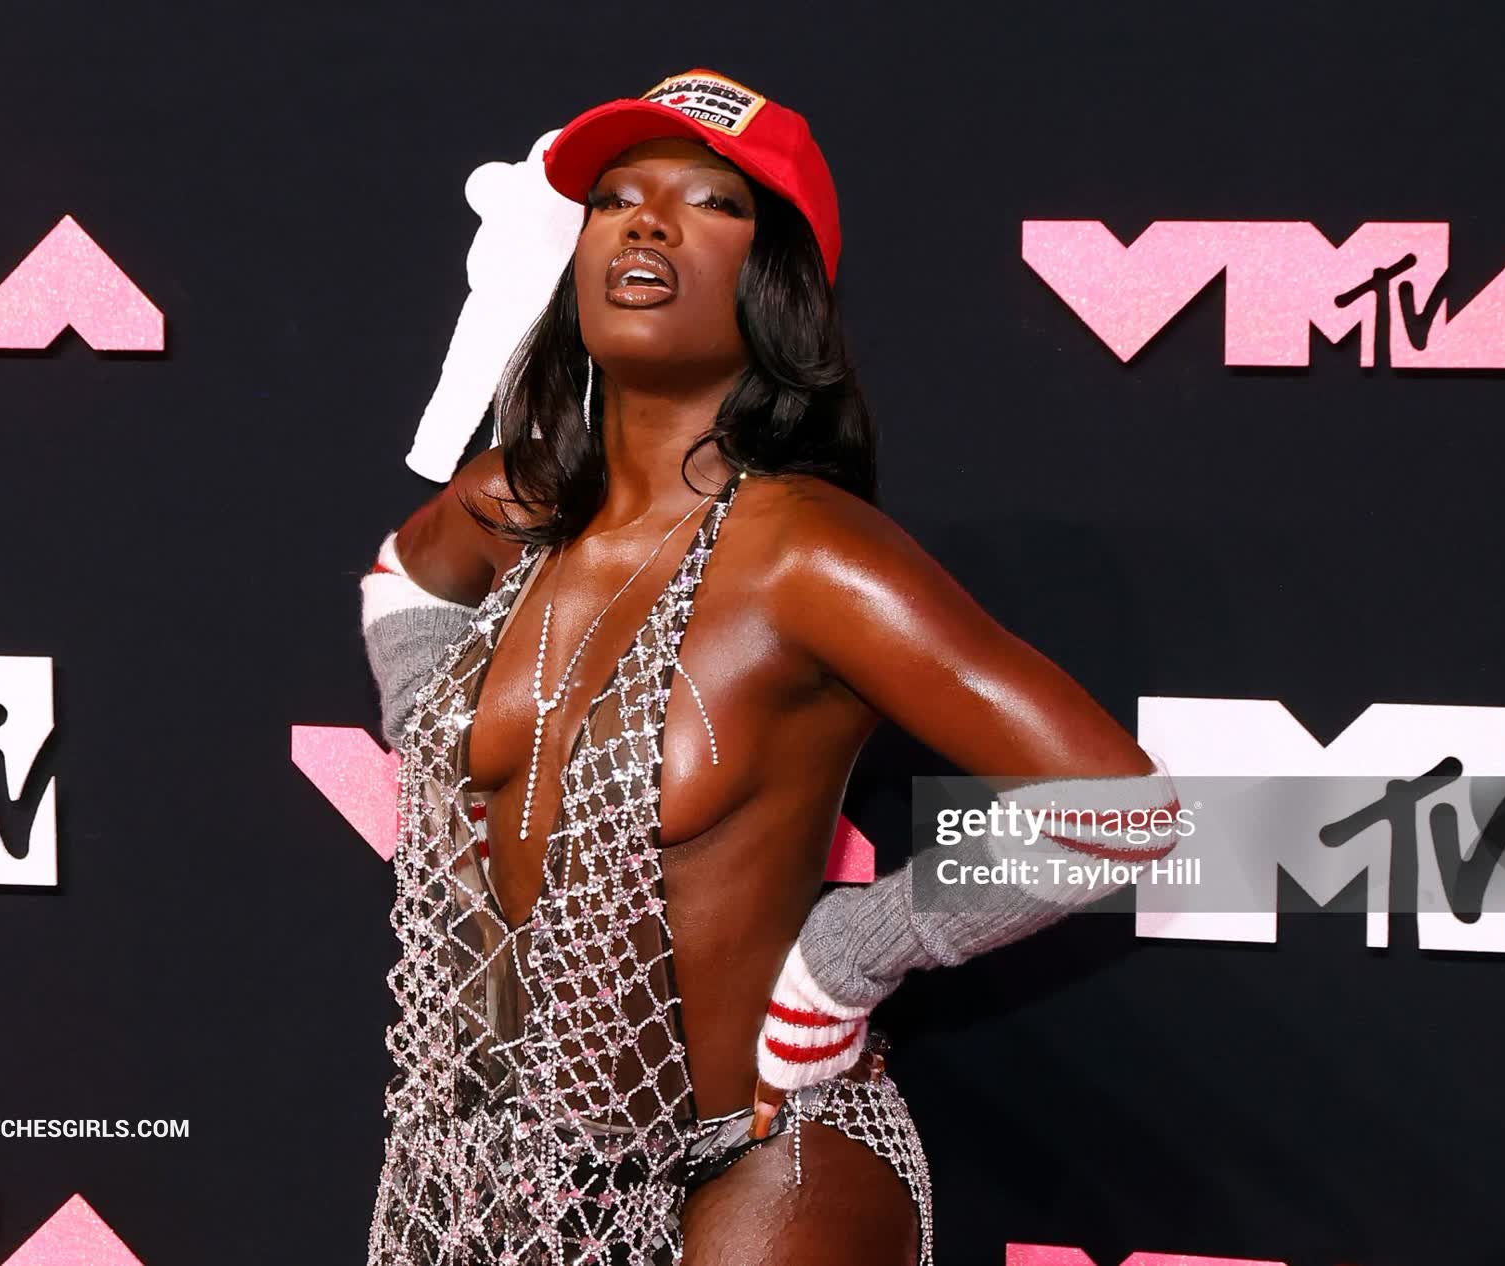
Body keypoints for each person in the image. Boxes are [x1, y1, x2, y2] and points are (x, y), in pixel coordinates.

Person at [361, 68, 1180, 1266]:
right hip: (512, 1176)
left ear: (777, 284)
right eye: (614, 199)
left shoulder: (807, 552)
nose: (645, 224)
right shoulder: (513, 503)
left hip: (760, 1155)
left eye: (711, 203)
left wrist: (851, 957)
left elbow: (1121, 807)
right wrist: (429, 705)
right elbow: (403, 574)